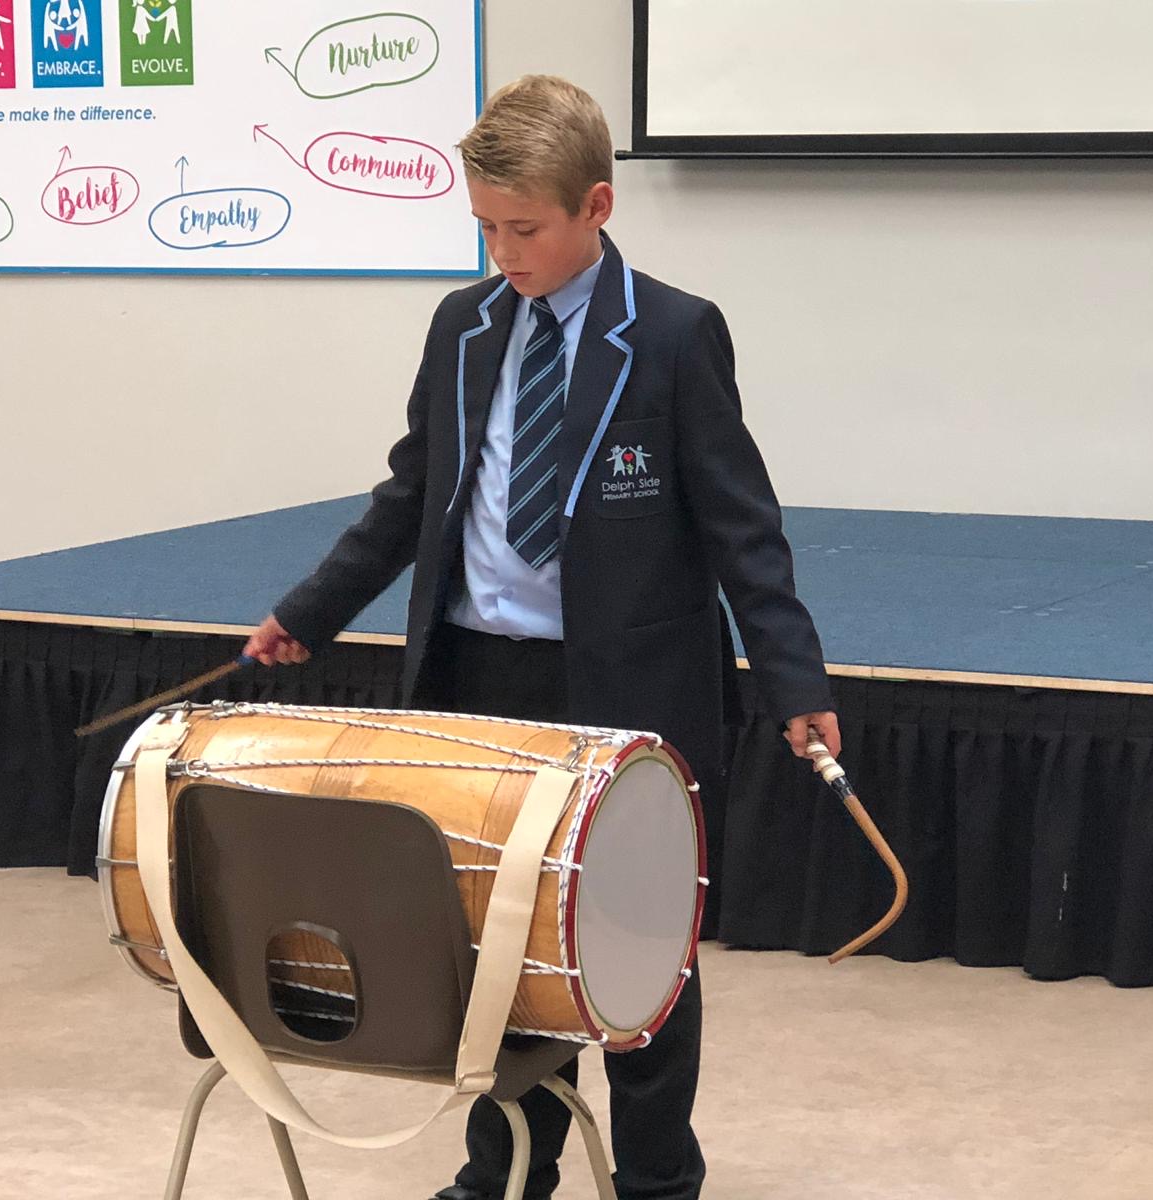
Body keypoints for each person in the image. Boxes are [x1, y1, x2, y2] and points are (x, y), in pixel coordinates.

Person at [243, 76, 839, 1200]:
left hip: (624, 690)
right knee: (498, 946)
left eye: (525, 228)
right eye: (485, 226)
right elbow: (412, 500)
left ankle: (659, 1175)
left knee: (635, 947)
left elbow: (741, 531)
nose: (502, 250)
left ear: (597, 207)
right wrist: (308, 613)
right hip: (482, 677)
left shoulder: (670, 335)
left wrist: (792, 675)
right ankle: (507, 1169)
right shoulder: (463, 326)